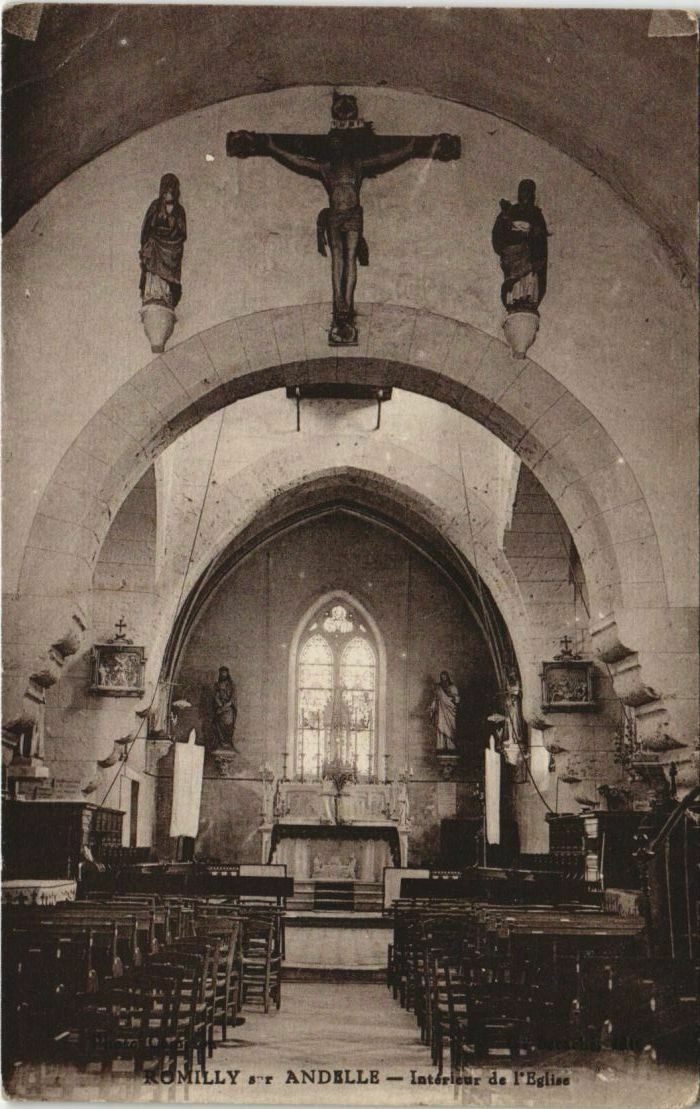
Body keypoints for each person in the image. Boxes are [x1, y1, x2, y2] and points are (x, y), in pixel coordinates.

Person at [491, 179, 548, 312]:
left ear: (533, 194)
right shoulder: (511, 210)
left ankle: (527, 300)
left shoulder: (536, 213)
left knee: (529, 278)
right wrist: (505, 218)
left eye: (529, 192)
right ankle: (514, 300)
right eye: (523, 191)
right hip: (512, 254)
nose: (525, 195)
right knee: (515, 283)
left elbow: (541, 237)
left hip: (530, 254)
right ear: (519, 193)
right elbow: (499, 232)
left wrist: (532, 232)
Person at [139, 173, 187, 309]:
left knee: (167, 283)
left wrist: (172, 224)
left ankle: (165, 295)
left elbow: (182, 233)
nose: (167, 194)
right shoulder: (155, 206)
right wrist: (146, 245)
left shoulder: (179, 210)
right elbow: (146, 228)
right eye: (165, 191)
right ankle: (153, 293)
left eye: (170, 191)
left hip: (172, 249)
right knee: (153, 271)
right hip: (155, 245)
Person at [430, 670, 460, 753]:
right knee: (440, 728)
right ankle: (441, 747)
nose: (443, 679)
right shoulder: (438, 688)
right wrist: (432, 708)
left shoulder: (453, 687)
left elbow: (457, 699)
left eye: (445, 677)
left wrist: (450, 697)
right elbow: (435, 700)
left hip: (449, 711)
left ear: (447, 677)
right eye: (442, 677)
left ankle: (451, 747)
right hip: (441, 712)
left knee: (450, 729)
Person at [211, 666, 237, 750]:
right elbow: (215, 697)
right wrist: (220, 706)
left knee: (228, 725)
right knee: (219, 725)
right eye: (221, 673)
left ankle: (227, 743)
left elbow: (232, 699)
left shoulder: (231, 685)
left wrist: (224, 707)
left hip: (228, 708)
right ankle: (221, 743)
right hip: (219, 707)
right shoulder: (217, 685)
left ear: (227, 674)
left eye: (224, 672)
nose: (223, 674)